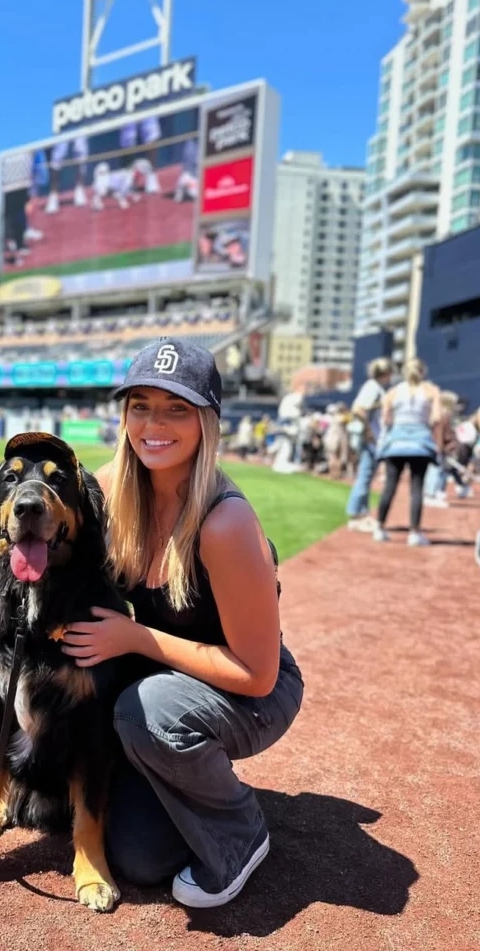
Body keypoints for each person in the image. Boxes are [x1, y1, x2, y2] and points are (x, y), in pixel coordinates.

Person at [61, 338, 304, 909]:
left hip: (248, 692)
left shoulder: (224, 521)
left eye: (177, 408)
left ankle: (240, 834)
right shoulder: (110, 492)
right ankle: (179, 779)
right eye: (140, 405)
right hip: (160, 684)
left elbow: (257, 675)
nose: (154, 424)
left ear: (207, 422)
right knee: (140, 859)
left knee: (145, 711)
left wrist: (134, 637)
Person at [373, 357, 441, 547]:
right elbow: (436, 418)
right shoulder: (431, 391)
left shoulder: (393, 392)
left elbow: (385, 421)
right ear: (423, 372)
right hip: (421, 444)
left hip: (395, 443)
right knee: (417, 488)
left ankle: (380, 527)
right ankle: (415, 532)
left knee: (390, 485)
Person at [345, 357, 393, 532]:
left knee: (366, 476)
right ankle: (356, 514)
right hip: (369, 440)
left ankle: (362, 513)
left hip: (370, 439)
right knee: (364, 476)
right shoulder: (372, 387)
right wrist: (369, 431)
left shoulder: (375, 388)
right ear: (386, 373)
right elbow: (358, 409)